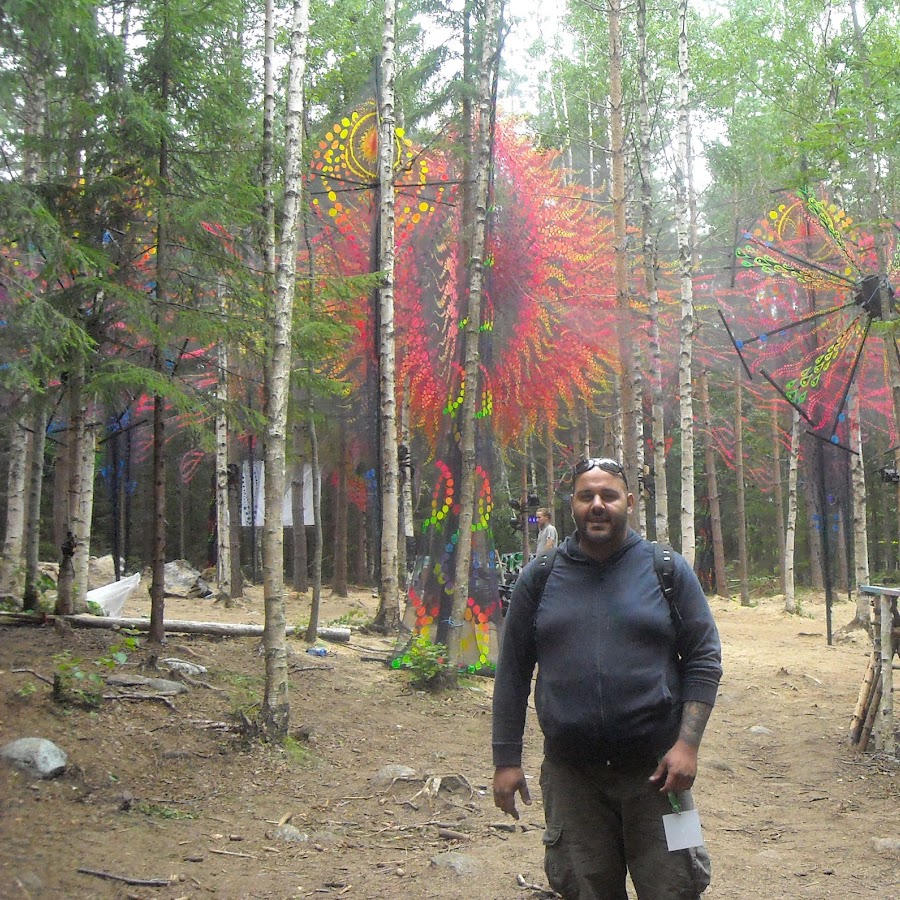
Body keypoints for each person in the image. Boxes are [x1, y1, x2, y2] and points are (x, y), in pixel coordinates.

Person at [492, 457, 722, 899]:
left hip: (662, 777)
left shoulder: (667, 569)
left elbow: (704, 658)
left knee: (679, 886)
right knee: (583, 889)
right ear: (573, 504)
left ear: (629, 502)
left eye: (608, 495)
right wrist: (506, 760)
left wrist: (687, 746)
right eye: (586, 496)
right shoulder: (539, 578)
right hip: (571, 778)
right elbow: (513, 672)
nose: (597, 505)